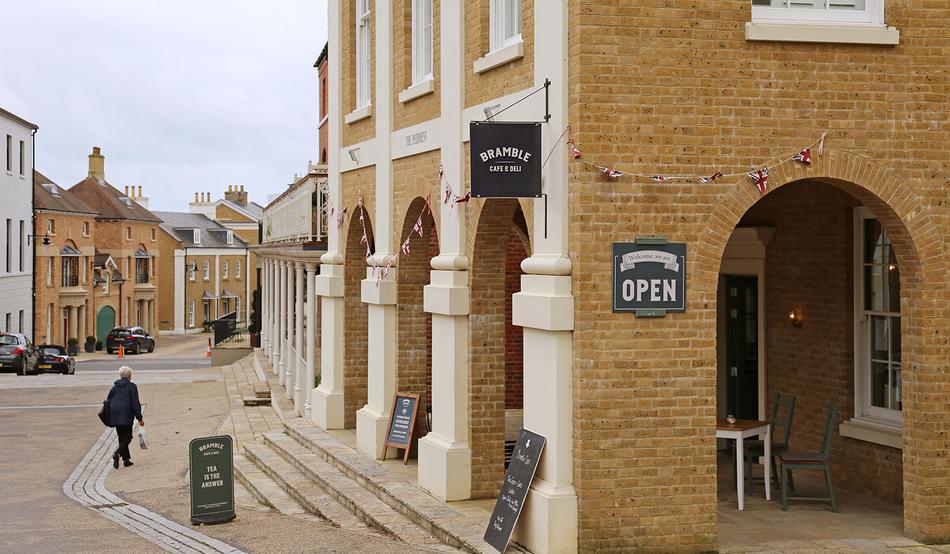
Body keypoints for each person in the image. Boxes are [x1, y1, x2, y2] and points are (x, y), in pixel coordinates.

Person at [107, 365, 144, 469]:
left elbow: (108, 400)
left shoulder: (115, 387)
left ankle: (126, 459)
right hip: (126, 414)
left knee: (121, 436)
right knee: (128, 437)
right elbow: (135, 403)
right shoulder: (131, 386)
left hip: (115, 414)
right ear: (130, 376)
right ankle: (118, 453)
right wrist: (139, 418)